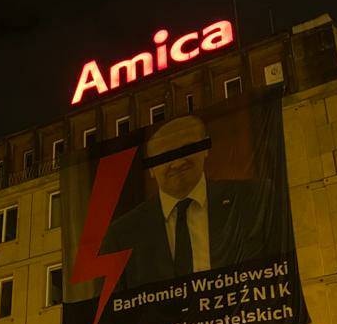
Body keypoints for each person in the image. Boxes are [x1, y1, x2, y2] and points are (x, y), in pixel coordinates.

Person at [102, 114, 281, 290]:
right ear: (151, 169)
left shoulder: (253, 198)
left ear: (205, 149)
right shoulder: (122, 234)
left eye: (187, 149)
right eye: (165, 156)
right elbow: (112, 307)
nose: (178, 162)